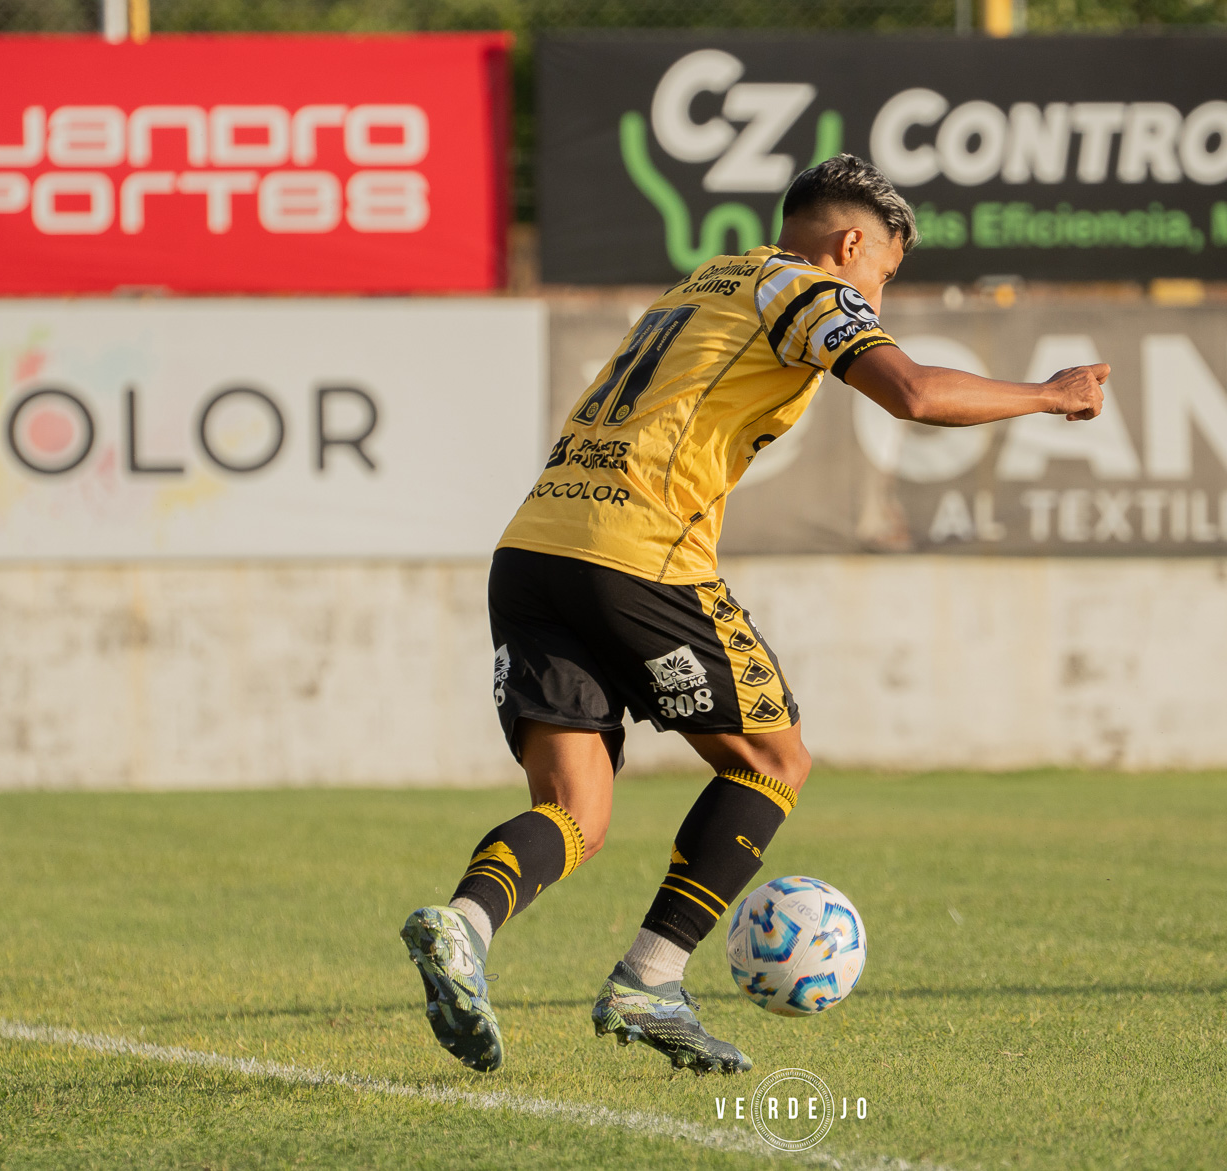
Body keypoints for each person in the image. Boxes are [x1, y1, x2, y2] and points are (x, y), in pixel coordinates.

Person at [400, 154, 1108, 1076]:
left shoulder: (705, 282)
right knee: (776, 758)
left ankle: (462, 927)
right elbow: (916, 394)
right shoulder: (809, 287)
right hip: (638, 552)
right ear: (852, 244)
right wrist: (1050, 395)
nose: (876, 299)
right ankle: (650, 977)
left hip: (533, 548)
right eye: (883, 276)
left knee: (575, 807)